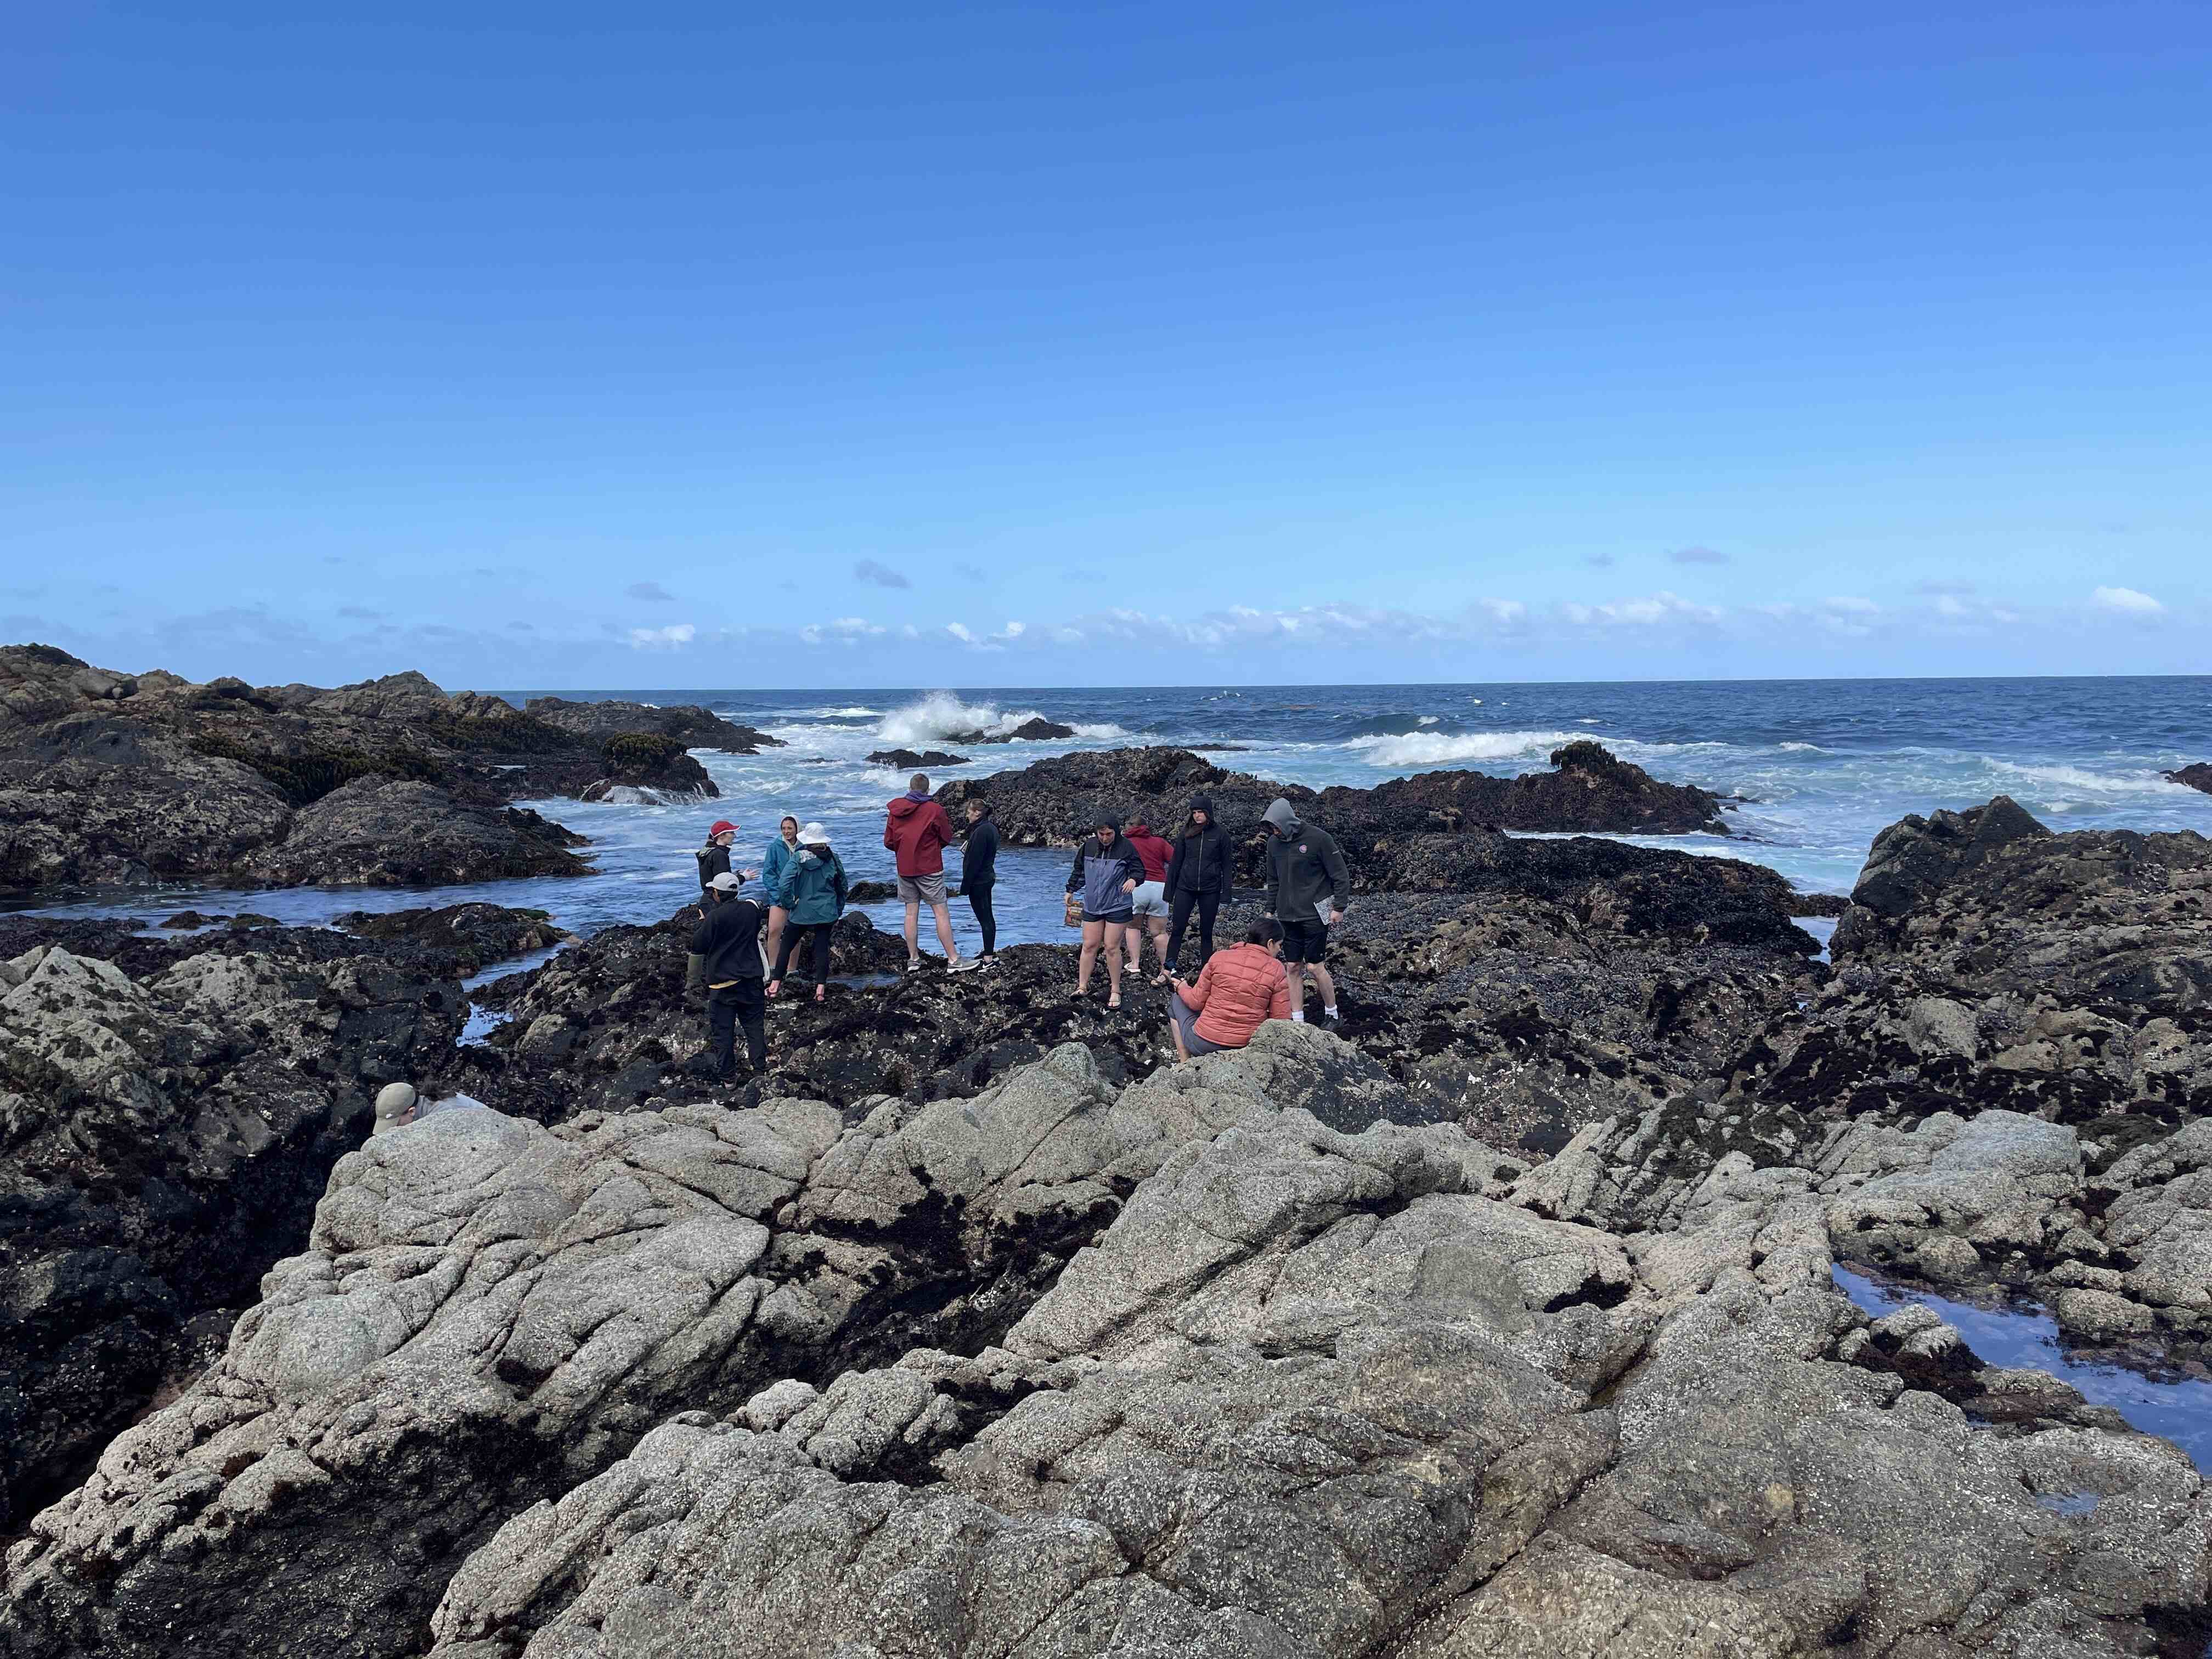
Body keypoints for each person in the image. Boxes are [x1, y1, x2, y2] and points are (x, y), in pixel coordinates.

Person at [1261, 797, 1350, 1024]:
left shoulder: (1319, 838)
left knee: (1314, 966)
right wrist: (1270, 910)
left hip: (1315, 914)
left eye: (1276, 826)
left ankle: (1333, 1014)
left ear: (1286, 822)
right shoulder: (1273, 844)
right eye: (1271, 827)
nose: (1274, 831)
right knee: (1292, 966)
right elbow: (1273, 880)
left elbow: (1340, 875)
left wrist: (1339, 907)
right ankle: (1298, 1019)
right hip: (1287, 916)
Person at [883, 773, 978, 974]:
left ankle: (913, 960)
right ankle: (953, 959)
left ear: (910, 788)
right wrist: (931, 848)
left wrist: (905, 852)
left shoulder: (895, 810)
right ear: (928, 790)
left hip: (905, 868)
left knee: (910, 913)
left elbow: (889, 842)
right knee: (941, 913)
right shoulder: (935, 810)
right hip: (929, 867)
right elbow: (946, 837)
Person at [1166, 917, 1291, 1060]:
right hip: (1245, 1048)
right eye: (1280, 945)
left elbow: (1196, 1002)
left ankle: (1184, 1062)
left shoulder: (1219, 957)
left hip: (1203, 1044)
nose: (1280, 949)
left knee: (1177, 997)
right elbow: (1280, 1021)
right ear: (1270, 944)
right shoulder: (1276, 969)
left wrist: (1182, 987)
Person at [686, 870, 768, 1077]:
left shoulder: (714, 918)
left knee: (724, 1034)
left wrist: (692, 982)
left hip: (723, 985)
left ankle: (728, 1077)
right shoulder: (751, 911)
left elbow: (698, 947)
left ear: (716, 893)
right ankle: (759, 1072)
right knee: (755, 1028)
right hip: (752, 981)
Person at [1065, 811, 1145, 1008]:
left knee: (1111, 947)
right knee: (1090, 945)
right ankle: (1082, 986)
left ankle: (1115, 989)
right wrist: (1070, 890)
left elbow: (1139, 870)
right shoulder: (1089, 846)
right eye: (1101, 834)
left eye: (1109, 834)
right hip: (1093, 904)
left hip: (1118, 905)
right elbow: (1079, 871)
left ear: (1115, 832)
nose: (1105, 838)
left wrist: (1133, 880)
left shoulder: (1126, 847)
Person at [769, 822, 848, 1005]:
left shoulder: (798, 858)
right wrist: (838, 909)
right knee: (821, 949)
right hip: (827, 912)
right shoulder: (833, 858)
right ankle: (820, 989)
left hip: (801, 911)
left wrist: (789, 904)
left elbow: (783, 884)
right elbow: (843, 886)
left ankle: (774, 985)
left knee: (786, 946)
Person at [1163, 793, 1231, 979]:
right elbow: (1176, 863)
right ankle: (1169, 969)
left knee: (1206, 932)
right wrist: (1169, 892)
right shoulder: (1186, 833)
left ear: (1208, 813)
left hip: (1210, 890)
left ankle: (1206, 972)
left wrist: (1227, 892)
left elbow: (1227, 865)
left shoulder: (1220, 834)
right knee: (1177, 929)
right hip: (1185, 888)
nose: (1197, 816)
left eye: (1201, 812)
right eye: (1194, 812)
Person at [1122, 816, 1175, 979]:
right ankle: (1167, 969)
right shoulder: (1159, 842)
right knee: (1159, 932)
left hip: (1136, 886)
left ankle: (1135, 965)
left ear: (1130, 827)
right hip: (1160, 888)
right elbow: (1176, 860)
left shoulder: (1125, 843)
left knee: (1133, 927)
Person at [369, 1081, 489, 1136]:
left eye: (396, 1123)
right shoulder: (421, 1102)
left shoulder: (446, 1114)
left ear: (412, 1111)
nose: (392, 1129)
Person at [960, 798, 1000, 961]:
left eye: (969, 813)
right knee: (988, 917)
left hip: (979, 881)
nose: (967, 816)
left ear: (977, 813)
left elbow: (973, 863)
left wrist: (965, 887)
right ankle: (988, 952)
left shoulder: (980, 831)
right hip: (988, 876)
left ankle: (988, 959)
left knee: (985, 919)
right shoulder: (990, 828)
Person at [761, 815, 801, 967]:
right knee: (774, 931)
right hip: (778, 898)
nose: (786, 831)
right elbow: (768, 874)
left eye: (790, 828)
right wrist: (778, 896)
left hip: (798, 898)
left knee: (795, 935)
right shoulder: (774, 847)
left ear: (798, 829)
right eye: (784, 828)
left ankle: (792, 970)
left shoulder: (803, 847)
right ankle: (773, 968)